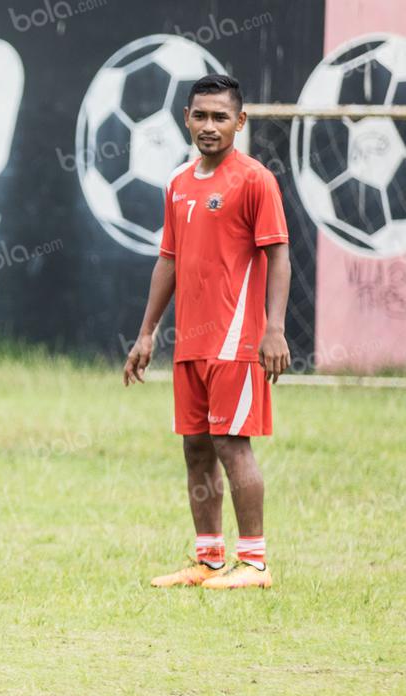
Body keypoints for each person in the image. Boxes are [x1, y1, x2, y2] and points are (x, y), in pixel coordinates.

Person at [124, 74, 290, 590]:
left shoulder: (255, 179)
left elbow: (278, 255)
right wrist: (147, 333)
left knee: (231, 445)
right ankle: (209, 559)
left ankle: (255, 563)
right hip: (190, 341)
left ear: (240, 122)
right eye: (201, 115)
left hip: (237, 340)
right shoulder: (177, 183)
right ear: (186, 118)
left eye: (221, 117)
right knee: (195, 446)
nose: (210, 126)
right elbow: (168, 261)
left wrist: (274, 329)